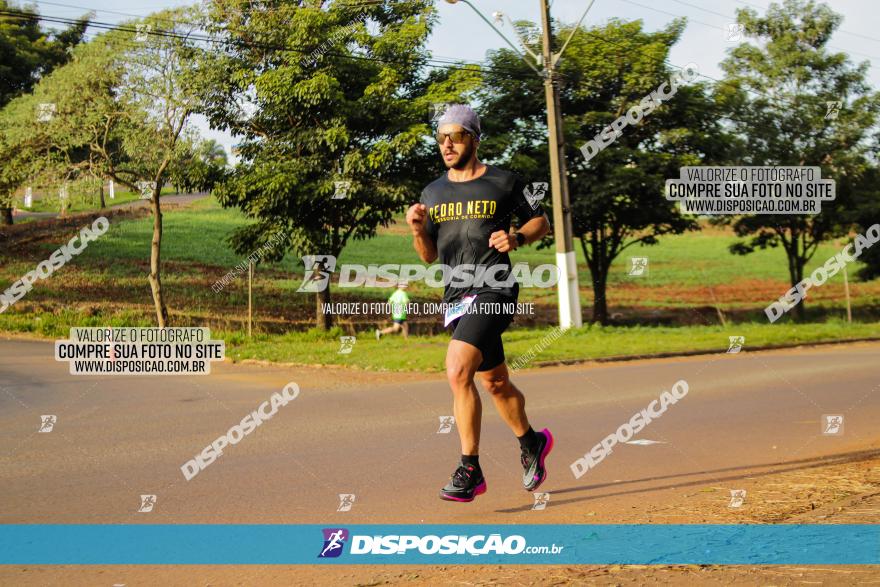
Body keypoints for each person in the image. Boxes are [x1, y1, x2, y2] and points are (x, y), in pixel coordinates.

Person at [405, 104, 554, 502]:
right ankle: (532, 442)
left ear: (474, 137)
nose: (447, 144)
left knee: (457, 370)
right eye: (441, 138)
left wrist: (517, 238)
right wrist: (418, 231)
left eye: (455, 136)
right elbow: (428, 255)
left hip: (496, 288)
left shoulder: (505, 182)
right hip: (456, 297)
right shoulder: (433, 192)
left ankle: (470, 468)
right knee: (495, 382)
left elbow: (541, 221)